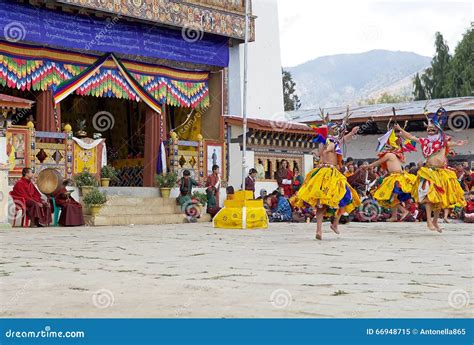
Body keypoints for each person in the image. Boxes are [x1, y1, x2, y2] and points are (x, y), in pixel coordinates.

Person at [395, 108, 467, 232]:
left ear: (438, 130)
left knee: (439, 199)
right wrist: (401, 130)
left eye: (433, 130)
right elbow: (412, 137)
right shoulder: (425, 141)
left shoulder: (443, 142)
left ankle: (435, 221)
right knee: (428, 198)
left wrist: (459, 144)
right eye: (428, 130)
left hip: (441, 173)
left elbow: (452, 144)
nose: (430, 131)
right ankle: (428, 221)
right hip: (428, 173)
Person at [291, 121, 361, 240]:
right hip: (327, 173)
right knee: (333, 201)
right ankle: (326, 227)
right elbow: (325, 151)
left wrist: (352, 132)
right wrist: (330, 144)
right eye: (334, 129)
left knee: (335, 201)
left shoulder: (329, 142)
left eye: (336, 129)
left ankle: (328, 227)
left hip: (326, 173)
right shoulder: (329, 142)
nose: (336, 131)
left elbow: (341, 141)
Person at [363, 127, 416, 222]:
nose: (386, 147)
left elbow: (378, 162)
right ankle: (395, 216)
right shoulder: (396, 154)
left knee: (392, 197)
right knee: (392, 197)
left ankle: (403, 211)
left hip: (396, 178)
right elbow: (402, 161)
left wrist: (368, 166)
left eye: (387, 145)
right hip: (395, 177)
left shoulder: (390, 155)